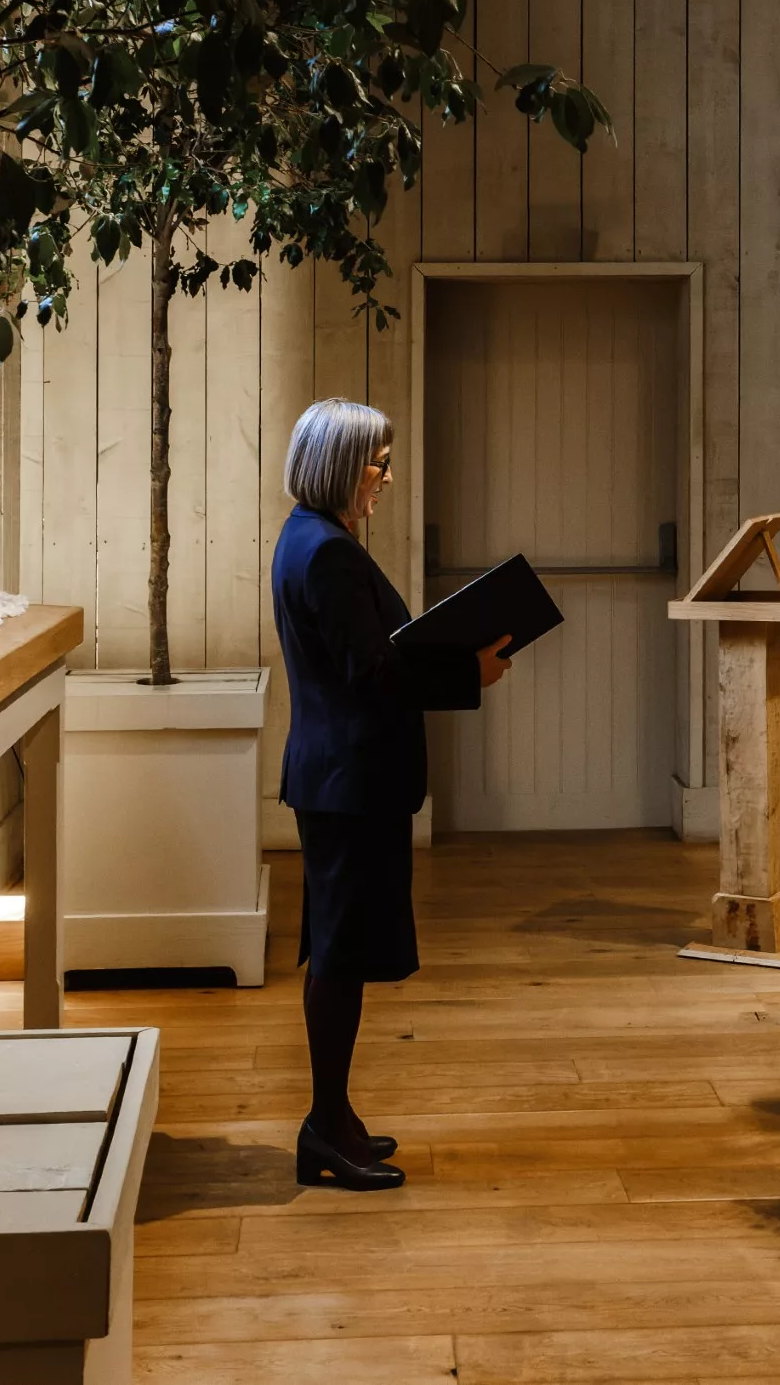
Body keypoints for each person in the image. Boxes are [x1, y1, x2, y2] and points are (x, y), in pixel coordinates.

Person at [272, 399, 513, 1192]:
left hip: (339, 778)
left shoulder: (305, 538)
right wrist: (466, 672)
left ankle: (335, 1119)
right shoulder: (329, 552)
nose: (384, 478)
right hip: (349, 782)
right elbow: (372, 672)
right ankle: (322, 1128)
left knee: (338, 951)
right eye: (377, 463)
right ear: (342, 465)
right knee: (338, 958)